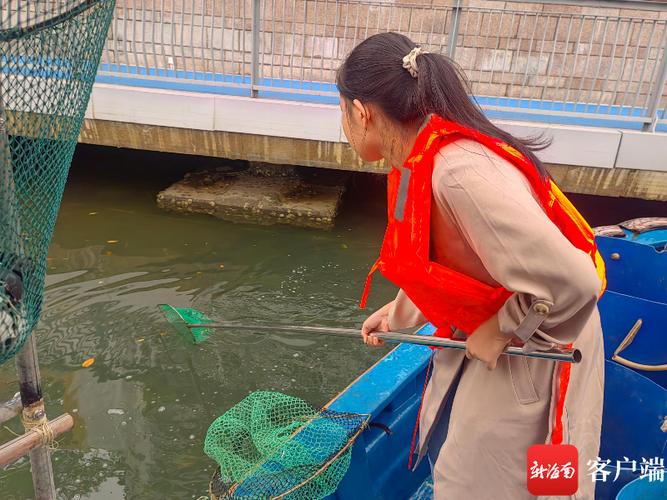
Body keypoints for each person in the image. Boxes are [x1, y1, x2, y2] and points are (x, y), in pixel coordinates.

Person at [336, 32, 605, 499]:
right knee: (463, 459)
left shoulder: (460, 173)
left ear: (362, 112)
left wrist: (503, 330)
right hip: (494, 325)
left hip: (545, 338)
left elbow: (576, 281)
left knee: (510, 477)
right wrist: (401, 313)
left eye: (340, 111)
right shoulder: (412, 160)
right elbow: (431, 259)